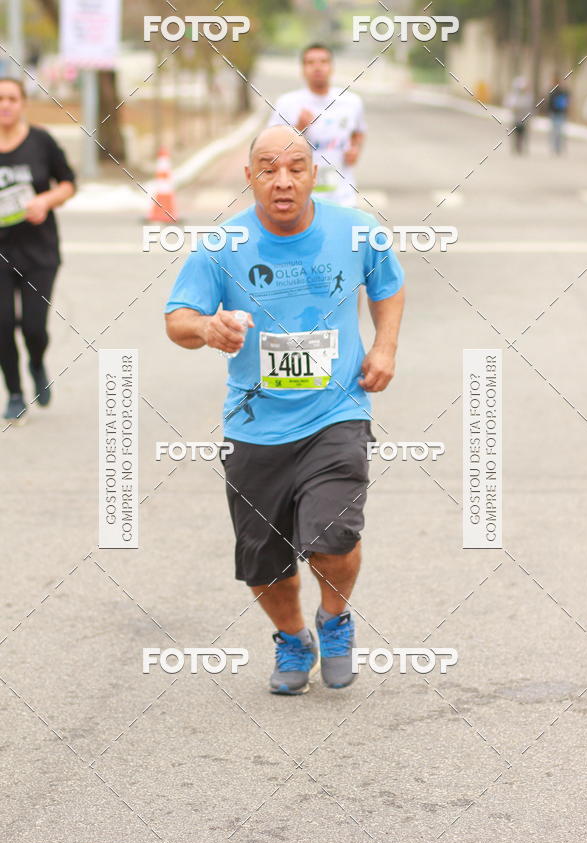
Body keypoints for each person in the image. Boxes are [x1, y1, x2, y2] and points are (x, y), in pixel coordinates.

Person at [165, 125, 405, 695]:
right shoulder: (222, 246)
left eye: (296, 167)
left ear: (313, 174)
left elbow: (387, 285)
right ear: (248, 176)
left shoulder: (356, 231)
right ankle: (294, 638)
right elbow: (177, 320)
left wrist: (385, 345)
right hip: (254, 426)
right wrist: (207, 325)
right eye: (268, 168)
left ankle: (336, 619)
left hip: (336, 411)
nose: (283, 180)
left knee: (334, 536)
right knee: (263, 560)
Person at [0, 77, 75, 422]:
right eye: (0, 99)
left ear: (23, 103)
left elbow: (69, 183)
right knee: (2, 325)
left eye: (12, 98)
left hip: (38, 251)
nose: (6, 105)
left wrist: (45, 200)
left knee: (33, 326)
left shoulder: (41, 141)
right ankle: (14, 393)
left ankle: (36, 361)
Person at [267, 44, 366, 207]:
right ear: (302, 69)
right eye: (310, 63)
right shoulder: (287, 103)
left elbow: (358, 132)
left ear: (332, 67)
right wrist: (297, 129)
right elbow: (270, 149)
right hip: (302, 199)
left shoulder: (351, 102)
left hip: (343, 198)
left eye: (323, 62)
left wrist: (355, 148)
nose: (317, 67)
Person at [504, 76, 533, 154]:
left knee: (523, 133)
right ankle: (515, 147)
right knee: (516, 133)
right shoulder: (513, 95)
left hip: (524, 119)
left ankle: (521, 147)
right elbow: (509, 104)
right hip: (516, 118)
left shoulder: (528, 95)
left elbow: (529, 106)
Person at [547, 80, 570, 155]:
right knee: (556, 132)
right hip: (556, 114)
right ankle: (556, 148)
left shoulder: (559, 92)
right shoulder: (558, 92)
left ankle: (557, 148)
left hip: (558, 114)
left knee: (557, 132)